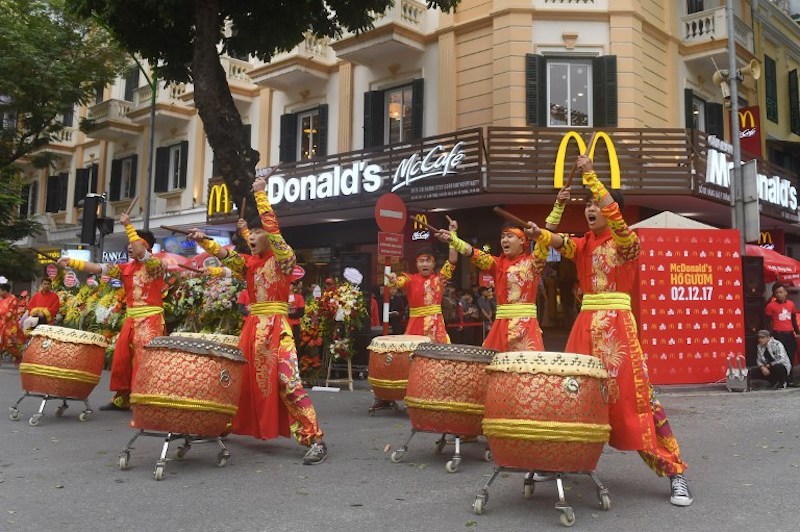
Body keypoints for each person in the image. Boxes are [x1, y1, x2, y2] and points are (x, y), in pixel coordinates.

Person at [529, 154, 692, 507]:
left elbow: (617, 220)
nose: (591, 208)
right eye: (587, 204)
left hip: (617, 330)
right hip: (584, 327)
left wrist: (591, 176)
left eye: (597, 204)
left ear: (612, 209)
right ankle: (559, 462)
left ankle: (675, 472)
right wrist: (544, 225)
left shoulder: (626, 242)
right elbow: (552, 242)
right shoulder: (583, 244)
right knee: (572, 394)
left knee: (636, 402)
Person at [187, 176, 327, 465]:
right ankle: (221, 427)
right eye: (248, 233)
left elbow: (274, 230)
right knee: (237, 382)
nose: (251, 237)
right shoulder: (249, 264)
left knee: (288, 381)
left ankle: (314, 438)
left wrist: (261, 195)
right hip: (252, 329)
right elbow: (226, 256)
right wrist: (204, 241)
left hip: (278, 328)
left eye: (256, 232)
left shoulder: (284, 258)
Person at [57, 212, 165, 411]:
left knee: (145, 360)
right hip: (131, 318)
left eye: (133, 243)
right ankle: (122, 398)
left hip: (150, 320)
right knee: (122, 358)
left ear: (145, 246)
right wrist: (71, 262)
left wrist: (129, 226)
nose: (129, 246)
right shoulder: (125, 267)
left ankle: (145, 400)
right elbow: (99, 268)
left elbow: (142, 255)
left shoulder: (156, 265)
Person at [437, 218, 546, 352]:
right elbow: (471, 252)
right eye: (502, 237)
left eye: (510, 236)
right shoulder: (496, 264)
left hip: (527, 329)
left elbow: (546, 240)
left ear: (522, 240)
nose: (504, 240)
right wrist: (453, 238)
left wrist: (559, 204)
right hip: (500, 328)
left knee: (527, 370)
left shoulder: (533, 262)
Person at [374, 239, 458, 410]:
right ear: (416, 263)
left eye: (428, 260)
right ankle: (398, 394)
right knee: (409, 361)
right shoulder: (410, 279)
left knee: (439, 361)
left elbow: (453, 260)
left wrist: (452, 238)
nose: (425, 264)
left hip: (436, 327)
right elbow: (397, 282)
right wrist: (392, 279)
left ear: (434, 263)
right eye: (421, 261)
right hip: (415, 327)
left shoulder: (440, 279)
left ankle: (437, 394)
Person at [764, 283, 798, 386]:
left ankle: (790, 379)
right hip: (777, 335)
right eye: (777, 293)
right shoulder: (770, 306)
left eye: (781, 292)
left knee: (790, 356)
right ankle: (780, 379)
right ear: (774, 294)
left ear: (786, 293)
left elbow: (793, 321)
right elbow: (767, 323)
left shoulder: (791, 304)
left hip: (789, 334)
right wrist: (769, 336)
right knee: (778, 358)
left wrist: (797, 332)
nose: (779, 295)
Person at [0, 283, 25, 363]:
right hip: (1, 321)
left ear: (4, 291)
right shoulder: (1, 299)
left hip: (10, 324)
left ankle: (19, 355)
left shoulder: (13, 299)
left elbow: (10, 312)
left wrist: (3, 320)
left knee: (9, 343)